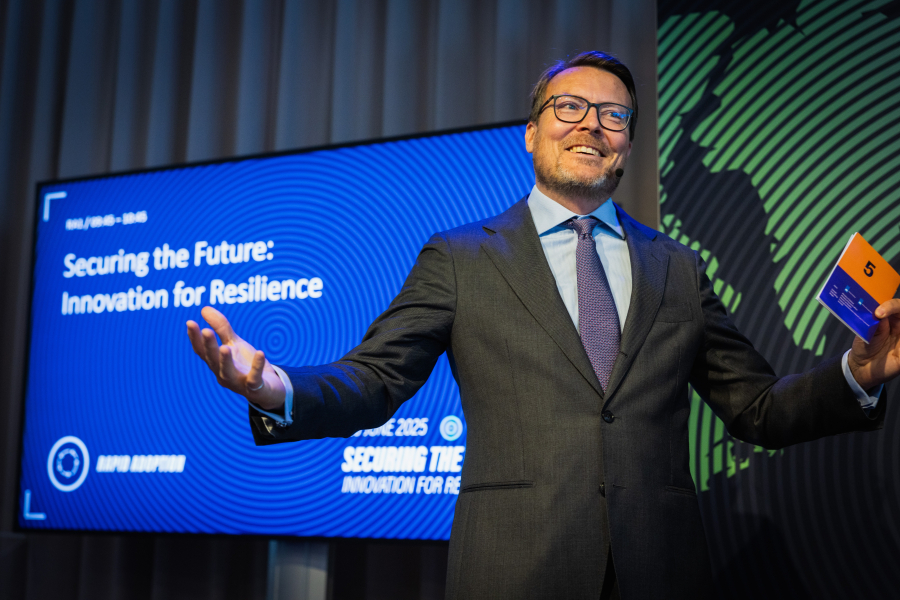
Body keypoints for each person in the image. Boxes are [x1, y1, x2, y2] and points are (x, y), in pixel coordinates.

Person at [187, 51, 899, 599]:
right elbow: (375, 381)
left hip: (662, 573)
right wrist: (274, 387)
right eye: (570, 107)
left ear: (628, 143)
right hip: (513, 571)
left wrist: (857, 375)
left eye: (613, 115)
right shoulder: (460, 257)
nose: (592, 125)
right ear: (531, 134)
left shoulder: (678, 267)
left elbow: (757, 408)